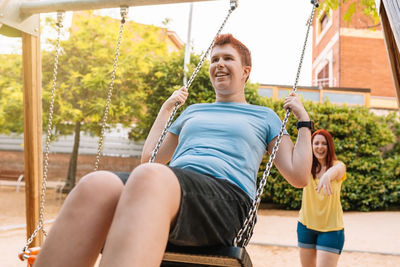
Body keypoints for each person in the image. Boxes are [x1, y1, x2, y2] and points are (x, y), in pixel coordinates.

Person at [34, 34, 313, 267]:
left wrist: (303, 122)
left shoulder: (264, 116)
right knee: (96, 184)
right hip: (171, 188)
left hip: (226, 200)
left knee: (151, 177)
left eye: (228, 58)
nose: (219, 64)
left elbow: (298, 176)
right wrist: (167, 108)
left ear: (245, 71)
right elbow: (151, 158)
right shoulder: (193, 111)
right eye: (214, 59)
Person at [297, 129, 347, 267]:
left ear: (329, 146)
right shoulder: (306, 167)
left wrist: (326, 176)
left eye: (324, 143)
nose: (320, 147)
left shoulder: (338, 166)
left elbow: (337, 171)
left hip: (331, 230)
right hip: (305, 226)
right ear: (311, 146)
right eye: (316, 143)